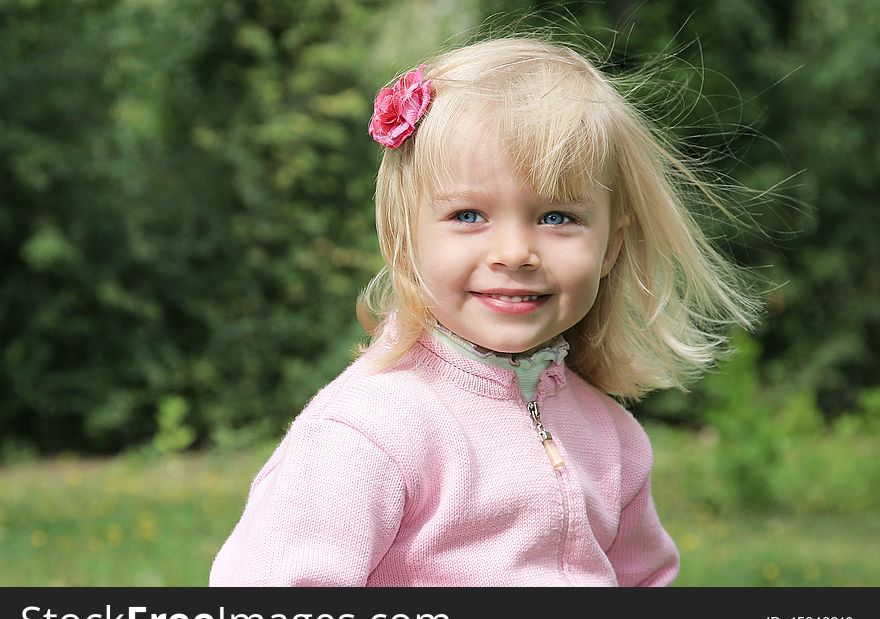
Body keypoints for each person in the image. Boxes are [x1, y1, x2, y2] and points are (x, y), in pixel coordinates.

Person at [209, 35, 758, 586]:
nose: (515, 253)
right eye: (470, 216)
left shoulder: (612, 439)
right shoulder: (372, 430)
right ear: (405, 239)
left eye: (557, 217)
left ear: (610, 246)